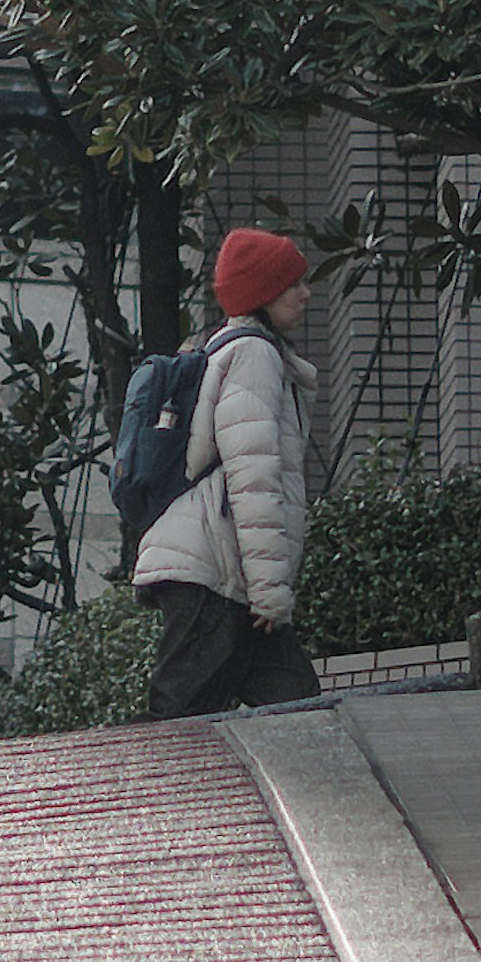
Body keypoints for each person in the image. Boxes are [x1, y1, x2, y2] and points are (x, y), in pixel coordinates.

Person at [133, 228, 322, 717]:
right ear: (263, 294)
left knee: (297, 709)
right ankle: (143, 790)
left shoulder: (241, 352)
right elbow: (253, 480)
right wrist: (268, 594)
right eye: (292, 285)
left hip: (224, 574)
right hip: (214, 574)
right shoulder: (254, 356)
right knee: (179, 719)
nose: (305, 294)